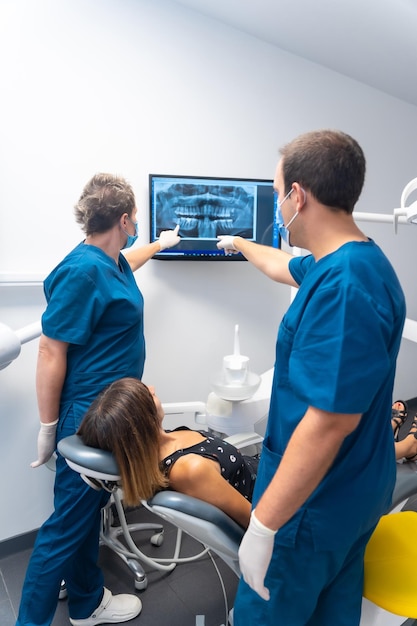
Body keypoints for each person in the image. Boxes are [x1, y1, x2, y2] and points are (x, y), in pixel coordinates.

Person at [216, 129, 406, 626]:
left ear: (297, 195)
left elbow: (327, 425)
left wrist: (264, 525)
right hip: (355, 491)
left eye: (280, 194)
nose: (279, 207)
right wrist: (238, 242)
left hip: (310, 505)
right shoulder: (357, 261)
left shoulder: (344, 287)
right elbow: (283, 265)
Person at [16, 173, 180, 626]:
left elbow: (132, 259)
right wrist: (49, 429)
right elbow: (51, 350)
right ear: (125, 219)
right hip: (86, 417)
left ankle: (87, 602)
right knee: (65, 528)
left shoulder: (112, 261)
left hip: (108, 414)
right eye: (136, 223)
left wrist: (163, 243)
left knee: (85, 516)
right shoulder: (83, 270)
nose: (137, 231)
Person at [77, 377, 258, 529]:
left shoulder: (159, 443)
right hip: (267, 494)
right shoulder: (189, 469)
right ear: (144, 422)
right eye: (148, 395)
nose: (153, 388)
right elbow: (252, 520)